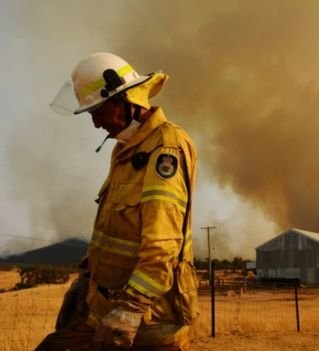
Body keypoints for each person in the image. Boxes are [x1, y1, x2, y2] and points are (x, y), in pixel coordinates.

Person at [38, 52, 199, 350]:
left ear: (125, 101)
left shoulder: (166, 147)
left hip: (150, 320)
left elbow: (163, 245)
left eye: (97, 111)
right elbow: (114, 228)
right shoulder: (126, 148)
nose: (96, 124)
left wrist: (132, 308)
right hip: (103, 310)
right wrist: (86, 280)